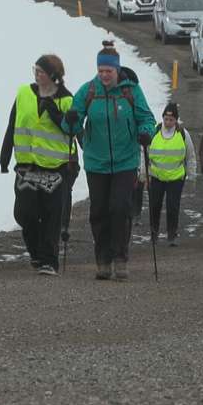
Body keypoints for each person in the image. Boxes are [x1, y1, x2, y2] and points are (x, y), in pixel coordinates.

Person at [62, 45, 155, 281]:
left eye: (108, 71)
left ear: (117, 69)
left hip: (125, 161)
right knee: (99, 211)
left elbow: (146, 118)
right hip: (96, 162)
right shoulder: (88, 91)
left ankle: (120, 258)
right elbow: (71, 126)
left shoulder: (131, 91)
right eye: (101, 70)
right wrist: (70, 120)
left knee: (121, 208)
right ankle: (102, 260)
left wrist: (145, 132)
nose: (104, 75)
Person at [0, 54, 73, 276]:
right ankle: (36, 252)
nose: (37, 74)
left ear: (53, 75)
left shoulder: (67, 100)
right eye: (36, 70)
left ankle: (49, 261)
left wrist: (57, 114)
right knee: (24, 213)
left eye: (41, 71)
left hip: (54, 167)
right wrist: (5, 156)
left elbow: (73, 131)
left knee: (52, 216)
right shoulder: (24, 93)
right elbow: (13, 123)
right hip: (26, 165)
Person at [146, 103, 196, 247]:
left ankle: (171, 234)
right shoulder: (154, 132)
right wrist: (144, 174)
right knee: (154, 205)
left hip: (176, 177)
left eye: (171, 119)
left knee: (172, 206)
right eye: (166, 118)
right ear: (162, 118)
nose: (168, 122)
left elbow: (190, 155)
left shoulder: (182, 133)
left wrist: (191, 175)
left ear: (176, 120)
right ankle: (154, 233)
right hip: (156, 176)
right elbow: (145, 153)